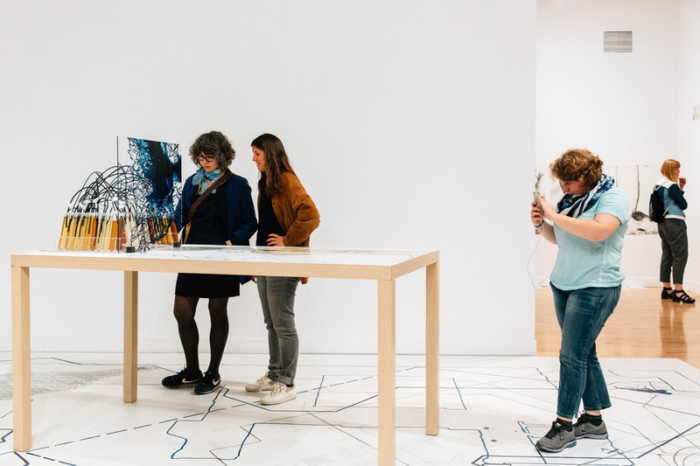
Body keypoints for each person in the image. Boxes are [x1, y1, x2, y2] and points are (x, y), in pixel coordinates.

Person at [530, 149, 629, 453]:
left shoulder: (612, 198)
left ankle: (564, 425)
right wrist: (541, 225)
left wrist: (554, 216)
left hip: (595, 287)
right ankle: (594, 420)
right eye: (561, 182)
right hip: (564, 284)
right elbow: (563, 239)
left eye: (569, 182)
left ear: (586, 177)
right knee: (585, 353)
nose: (564, 187)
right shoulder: (572, 202)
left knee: (571, 355)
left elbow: (599, 232)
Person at [162, 131, 257, 394]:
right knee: (182, 311)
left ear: (222, 156)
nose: (204, 162)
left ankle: (213, 373)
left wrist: (233, 241)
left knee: (217, 311)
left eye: (210, 157)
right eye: (201, 157)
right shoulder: (192, 182)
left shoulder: (238, 184)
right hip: (192, 254)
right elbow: (179, 217)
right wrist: (161, 229)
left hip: (222, 256)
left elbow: (251, 222)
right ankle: (192, 371)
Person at [244, 133, 320, 405]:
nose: (253, 159)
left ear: (270, 154)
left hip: (284, 261)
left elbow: (311, 215)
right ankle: (274, 373)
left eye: (257, 153)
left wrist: (287, 240)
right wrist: (257, 259)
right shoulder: (265, 181)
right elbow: (265, 222)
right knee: (271, 322)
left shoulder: (287, 180)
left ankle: (286, 382)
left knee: (283, 323)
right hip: (265, 259)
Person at [655, 159, 694, 304]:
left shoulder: (658, 185)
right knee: (680, 255)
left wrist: (680, 187)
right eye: (677, 169)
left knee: (667, 255)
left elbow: (668, 201)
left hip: (663, 223)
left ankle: (667, 289)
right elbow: (683, 205)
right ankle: (679, 291)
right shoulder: (672, 185)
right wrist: (679, 188)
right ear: (671, 170)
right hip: (675, 222)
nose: (678, 171)